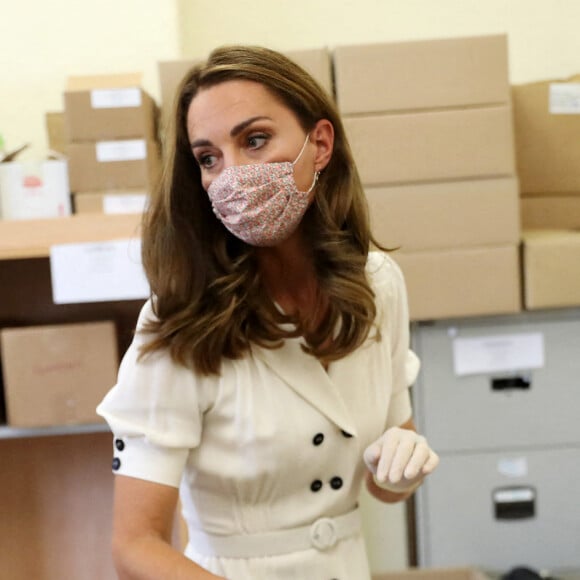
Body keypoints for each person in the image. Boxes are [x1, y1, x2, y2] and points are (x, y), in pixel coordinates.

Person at [97, 45, 439, 580]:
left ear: (319, 144)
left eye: (254, 140)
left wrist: (399, 472)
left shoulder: (376, 285)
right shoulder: (181, 320)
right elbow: (135, 545)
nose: (232, 175)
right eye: (208, 158)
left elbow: (383, 480)